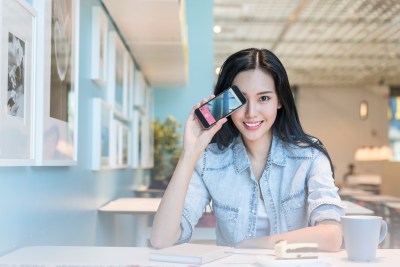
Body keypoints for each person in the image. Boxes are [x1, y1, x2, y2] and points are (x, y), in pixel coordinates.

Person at [151, 48, 344, 252]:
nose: (251, 113)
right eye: (241, 100)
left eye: (264, 98)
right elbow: (162, 239)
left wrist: (255, 245)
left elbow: (332, 235)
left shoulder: (310, 156)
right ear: (227, 102)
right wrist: (188, 155)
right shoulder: (210, 161)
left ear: (279, 100)